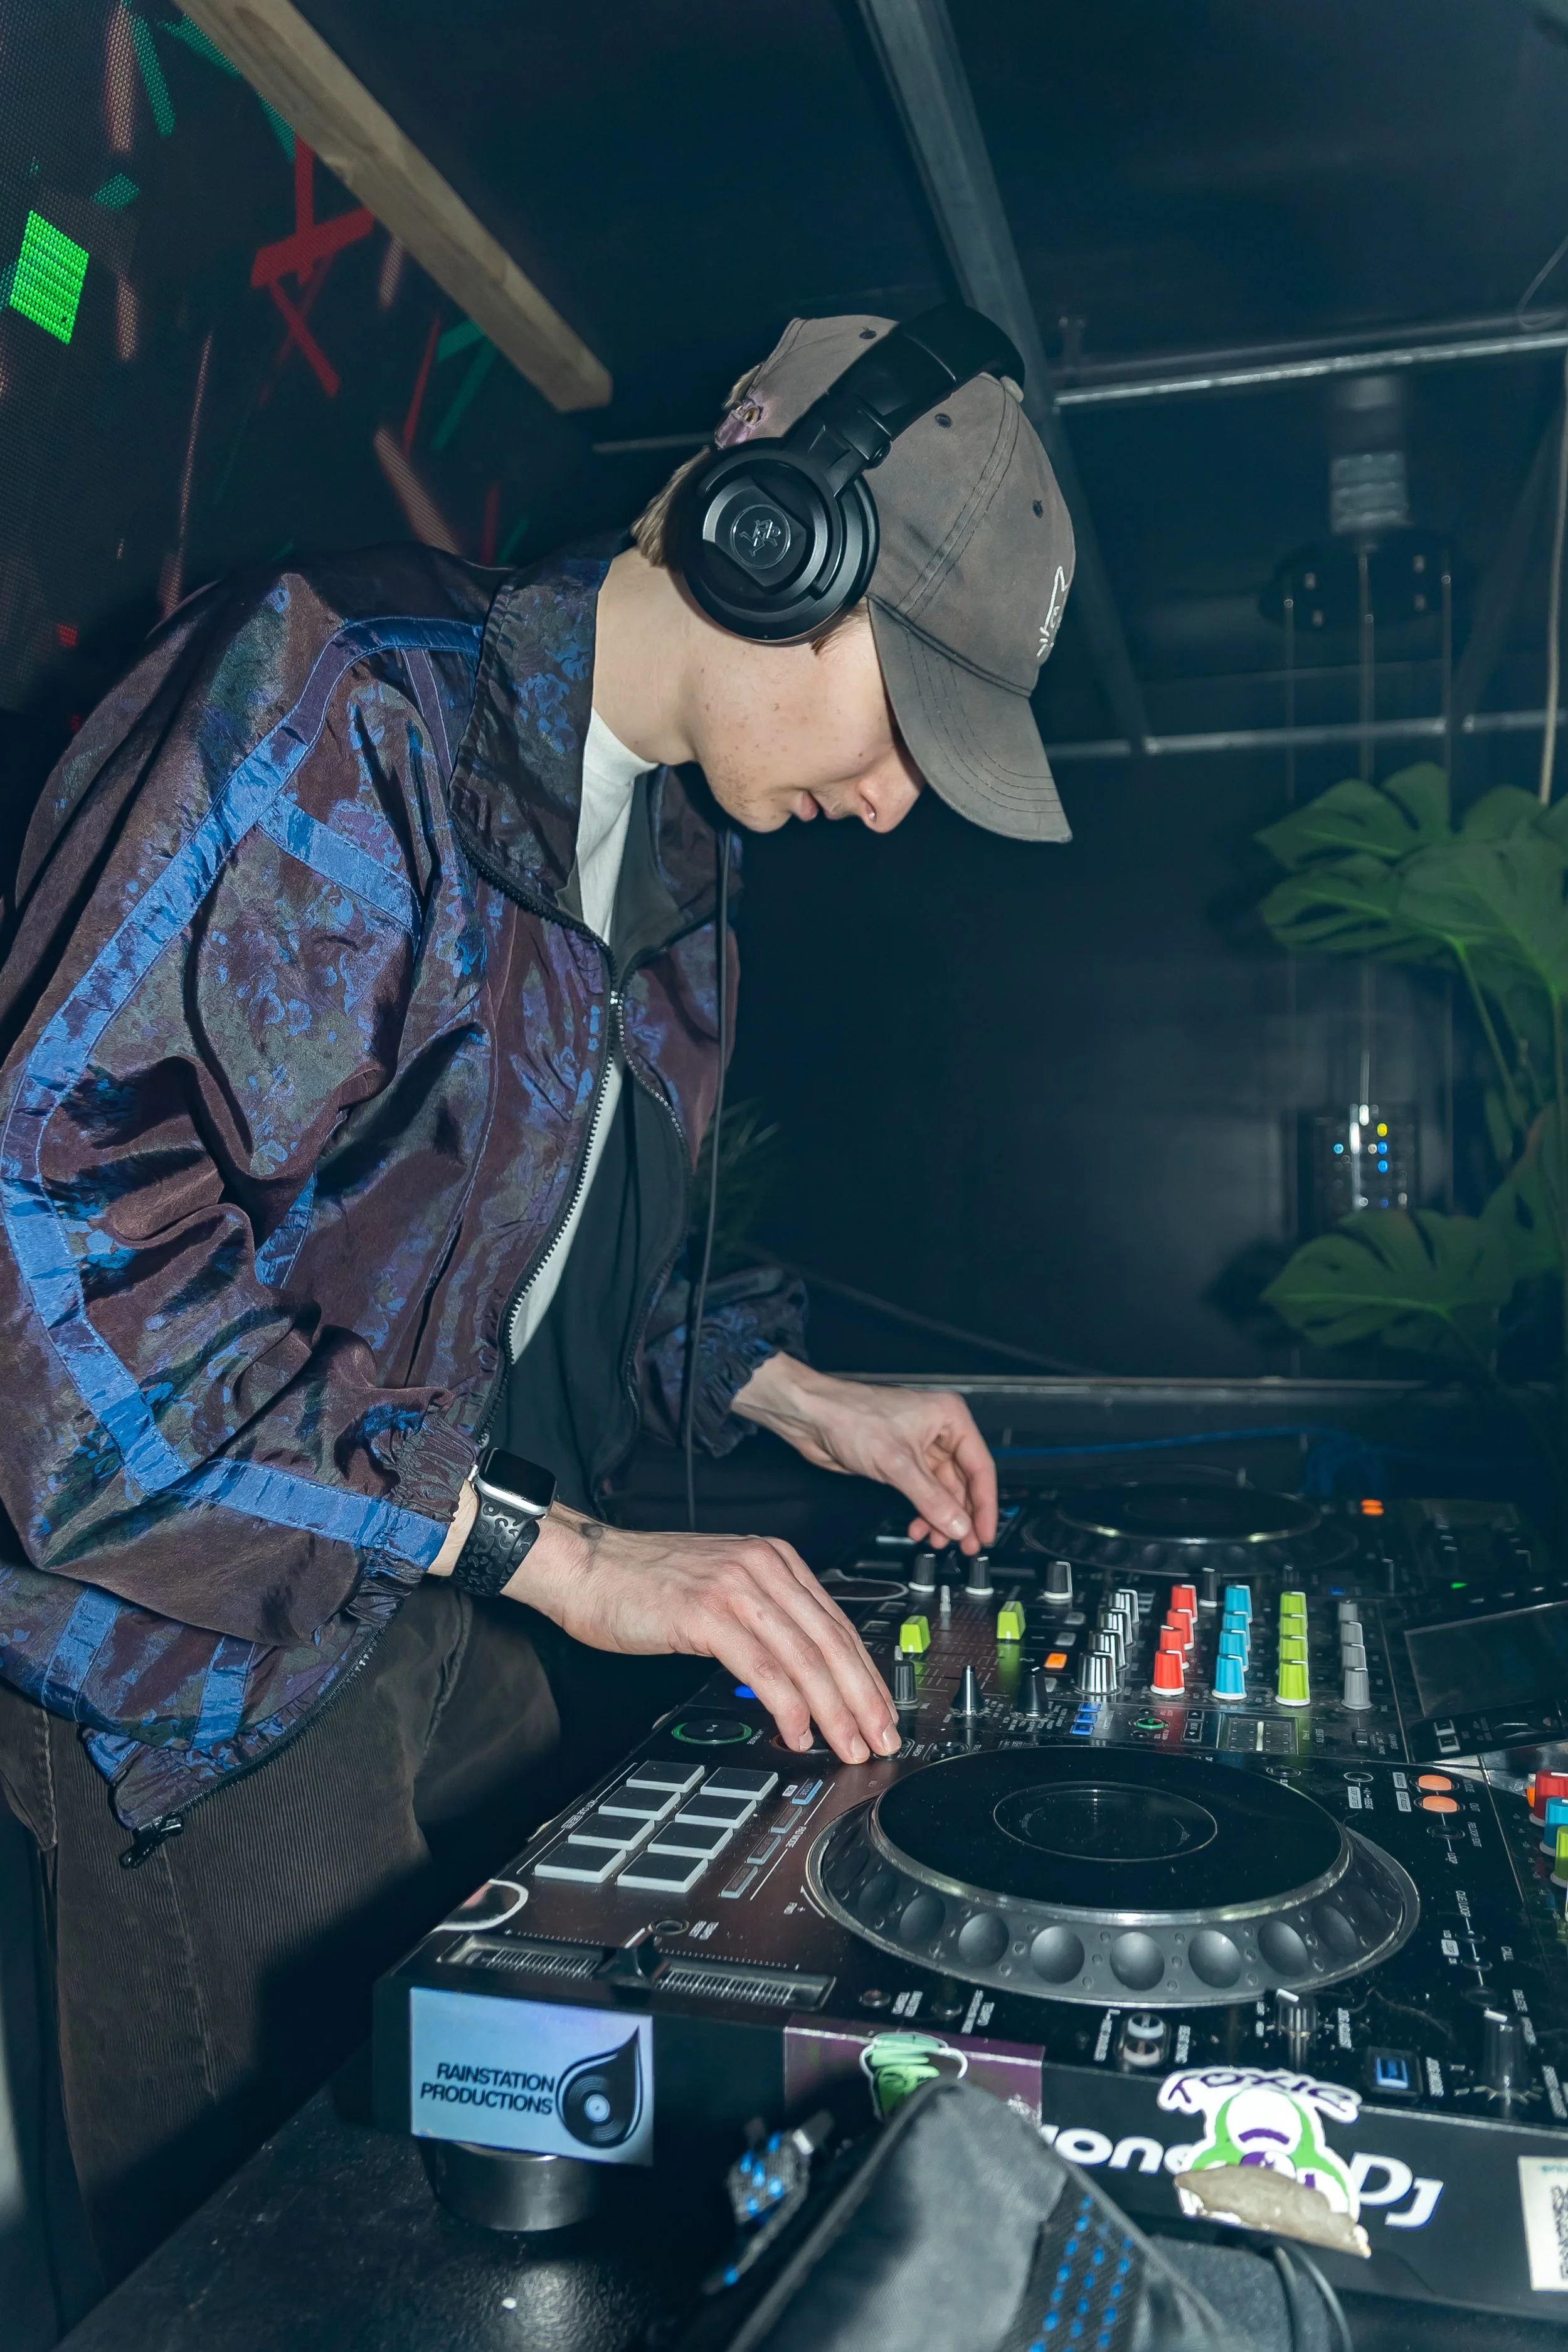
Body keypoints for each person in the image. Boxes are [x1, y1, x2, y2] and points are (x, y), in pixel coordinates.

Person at [0, 309, 1076, 2278]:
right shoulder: (341, 709)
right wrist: (561, 1554)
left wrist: (779, 1386)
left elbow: (509, 1274)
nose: (903, 798)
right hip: (194, 1672)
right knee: (313, 2278)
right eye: (905, 707)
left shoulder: (673, 875)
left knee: (566, 2217)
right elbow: (46, 1285)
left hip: (429, 1611)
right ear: (773, 546)